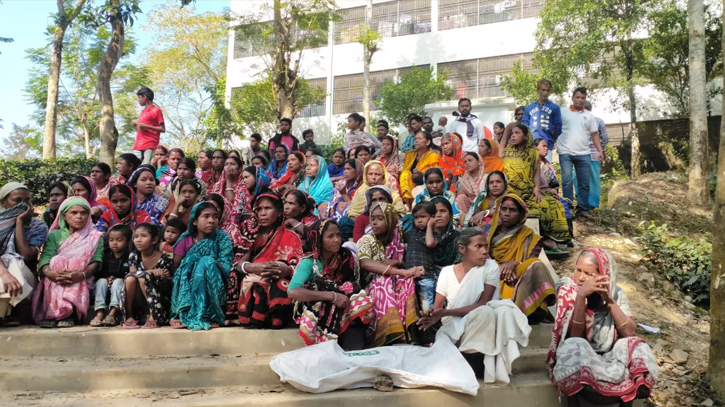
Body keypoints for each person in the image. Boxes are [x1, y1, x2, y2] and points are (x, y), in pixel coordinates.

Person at [419, 227, 530, 384]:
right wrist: (430, 315)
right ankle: (462, 360)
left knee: (488, 312)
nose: (484, 251)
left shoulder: (490, 267)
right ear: (462, 249)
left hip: (480, 323)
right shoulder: (447, 273)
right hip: (453, 327)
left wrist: (444, 312)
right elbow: (438, 308)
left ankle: (471, 358)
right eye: (478, 246)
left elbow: (482, 303)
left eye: (486, 246)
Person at [548, 249, 657, 406]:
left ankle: (632, 393)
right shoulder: (568, 289)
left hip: (610, 354)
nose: (580, 277)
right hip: (581, 356)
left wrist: (609, 300)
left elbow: (629, 331)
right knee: (574, 345)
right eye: (578, 270)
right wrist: (581, 297)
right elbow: (574, 335)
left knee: (637, 344)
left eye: (588, 273)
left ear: (603, 275)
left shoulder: (616, 293)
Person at [289, 220, 373, 349]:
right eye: (330, 236)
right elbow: (293, 291)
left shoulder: (345, 256)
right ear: (318, 240)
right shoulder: (310, 262)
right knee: (320, 284)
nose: (337, 240)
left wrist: (336, 295)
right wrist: (331, 296)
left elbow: (350, 283)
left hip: (341, 301)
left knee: (350, 287)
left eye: (338, 235)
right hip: (315, 303)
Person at [357, 202, 424, 347]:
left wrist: (397, 263)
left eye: (380, 218)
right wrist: (401, 271)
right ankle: (387, 333)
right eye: (373, 218)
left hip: (393, 281)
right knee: (383, 281)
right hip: (371, 286)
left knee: (406, 282)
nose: (374, 222)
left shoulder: (398, 240)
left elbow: (406, 265)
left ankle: (409, 332)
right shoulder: (366, 240)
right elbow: (365, 263)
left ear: (390, 220)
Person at [32, 197, 104, 328]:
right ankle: (53, 313)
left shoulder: (95, 236)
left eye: (83, 213)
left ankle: (68, 313)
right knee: (57, 261)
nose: (79, 216)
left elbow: (96, 261)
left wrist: (81, 275)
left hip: (82, 278)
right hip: (55, 278)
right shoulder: (55, 235)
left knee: (75, 263)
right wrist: (50, 273)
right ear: (64, 216)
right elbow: (45, 257)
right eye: (74, 213)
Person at [235, 192, 303, 328]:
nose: (262, 213)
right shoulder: (250, 234)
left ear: (279, 212)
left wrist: (287, 270)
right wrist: (253, 267)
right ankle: (253, 319)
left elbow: (300, 266)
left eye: (267, 208)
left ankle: (275, 320)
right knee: (253, 282)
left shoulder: (291, 236)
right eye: (259, 209)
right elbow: (238, 264)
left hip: (280, 278)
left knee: (280, 284)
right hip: (254, 275)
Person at [487, 194, 556, 323]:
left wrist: (513, 264)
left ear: (521, 214)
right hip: (493, 275)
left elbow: (528, 264)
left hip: (518, 276)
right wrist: (499, 268)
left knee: (536, 264)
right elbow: (482, 259)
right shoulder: (488, 233)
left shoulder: (528, 235)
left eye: (512, 210)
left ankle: (532, 310)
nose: (507, 213)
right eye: (504, 209)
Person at [503, 124, 571, 248]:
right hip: (514, 192)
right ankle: (543, 240)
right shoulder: (507, 153)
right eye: (512, 133)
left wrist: (537, 189)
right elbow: (510, 176)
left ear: (525, 136)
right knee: (539, 208)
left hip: (531, 190)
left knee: (554, 204)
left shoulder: (533, 153)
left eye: (517, 133)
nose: (513, 136)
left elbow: (536, 173)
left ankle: (559, 239)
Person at [170, 202, 232, 331]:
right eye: (206, 216)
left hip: (213, 279)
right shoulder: (185, 239)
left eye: (215, 217)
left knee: (206, 261)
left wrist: (204, 264)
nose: (211, 221)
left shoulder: (222, 238)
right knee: (189, 260)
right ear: (194, 221)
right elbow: (176, 267)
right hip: (187, 281)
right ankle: (181, 310)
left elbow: (226, 265)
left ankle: (210, 314)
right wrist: (194, 263)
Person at [0, 183, 48, 327]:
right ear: (3, 203)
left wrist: (20, 222)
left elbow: (26, 255)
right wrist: (4, 274)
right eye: (17, 200)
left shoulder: (38, 226)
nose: (23, 205)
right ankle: (5, 313)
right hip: (3, 279)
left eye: (26, 200)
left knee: (14, 261)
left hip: (25, 283)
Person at [559, 87, 602, 217]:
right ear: (572, 98)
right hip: (565, 152)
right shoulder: (562, 112)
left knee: (584, 183)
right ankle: (568, 207)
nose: (580, 100)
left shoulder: (589, 116)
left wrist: (600, 151)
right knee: (567, 181)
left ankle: (582, 208)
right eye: (578, 97)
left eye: (583, 98)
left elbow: (594, 134)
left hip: (584, 153)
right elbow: (554, 128)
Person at [122, 223, 175, 329]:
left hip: (159, 302)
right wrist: (150, 272)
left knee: (142, 279)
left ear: (154, 240)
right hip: (139, 300)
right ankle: (129, 316)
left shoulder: (164, 259)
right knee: (130, 279)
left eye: (143, 236)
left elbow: (167, 284)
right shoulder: (134, 255)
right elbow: (131, 274)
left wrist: (162, 275)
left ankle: (153, 315)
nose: (138, 240)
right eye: (136, 236)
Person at [90, 224, 132, 327]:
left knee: (118, 282)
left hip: (120, 292)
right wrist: (107, 278)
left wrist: (116, 278)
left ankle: (113, 313)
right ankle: (99, 313)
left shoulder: (130, 257)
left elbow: (130, 273)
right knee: (101, 281)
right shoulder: (105, 256)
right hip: (105, 290)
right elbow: (98, 272)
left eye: (119, 240)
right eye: (111, 240)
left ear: (128, 242)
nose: (114, 243)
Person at [535, 138, 573, 236]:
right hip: (539, 195)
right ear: (535, 148)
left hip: (551, 194)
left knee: (565, 204)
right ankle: (563, 234)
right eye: (543, 146)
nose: (546, 149)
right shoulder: (532, 163)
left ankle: (567, 234)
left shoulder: (546, 163)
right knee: (561, 205)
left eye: (547, 146)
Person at [575, 101, 609, 210]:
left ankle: (588, 204)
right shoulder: (579, 121)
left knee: (583, 179)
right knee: (582, 179)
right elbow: (605, 139)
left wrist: (599, 151)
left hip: (588, 155)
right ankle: (585, 203)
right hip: (583, 154)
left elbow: (604, 139)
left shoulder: (597, 121)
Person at [405, 202, 437, 313]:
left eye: (423, 217)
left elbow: (429, 243)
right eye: (416, 218)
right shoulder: (411, 233)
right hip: (410, 276)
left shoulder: (434, 233)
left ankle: (428, 326)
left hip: (426, 276)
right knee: (412, 306)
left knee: (426, 306)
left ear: (432, 218)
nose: (419, 220)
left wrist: (429, 226)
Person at [521, 79, 562, 161]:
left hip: (546, 144)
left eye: (547, 90)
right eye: (543, 90)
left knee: (546, 170)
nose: (545, 93)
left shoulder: (555, 108)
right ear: (538, 90)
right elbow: (524, 126)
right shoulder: (529, 108)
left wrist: (551, 139)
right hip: (531, 144)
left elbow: (558, 127)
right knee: (531, 170)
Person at [400, 130, 440, 203]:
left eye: (419, 138)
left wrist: (421, 174)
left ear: (427, 142)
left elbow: (435, 175)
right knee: (405, 173)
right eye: (415, 139)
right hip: (410, 185)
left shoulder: (433, 157)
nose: (416, 141)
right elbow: (404, 171)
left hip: (425, 185)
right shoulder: (409, 155)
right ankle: (409, 204)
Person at [319, 158, 363, 223]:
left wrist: (344, 194)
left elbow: (355, 210)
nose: (345, 172)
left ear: (357, 170)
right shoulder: (341, 183)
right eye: (344, 169)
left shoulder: (362, 187)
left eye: (348, 169)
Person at [427, 196, 461, 276]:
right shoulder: (422, 237)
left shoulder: (457, 237)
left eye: (443, 211)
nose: (438, 215)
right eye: (434, 212)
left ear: (450, 215)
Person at [131, 87, 165, 165]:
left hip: (150, 143)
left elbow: (162, 129)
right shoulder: (143, 112)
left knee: (146, 166)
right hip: (138, 144)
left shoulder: (156, 110)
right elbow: (143, 127)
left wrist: (146, 126)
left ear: (144, 97)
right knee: (134, 165)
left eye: (139, 97)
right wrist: (137, 124)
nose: (138, 100)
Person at [456, 152, 487, 217]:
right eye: (465, 162)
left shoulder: (487, 178)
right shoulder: (461, 181)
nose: (467, 163)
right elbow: (461, 197)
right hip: (469, 210)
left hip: (485, 208)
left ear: (478, 162)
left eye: (470, 160)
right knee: (460, 198)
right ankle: (466, 222)